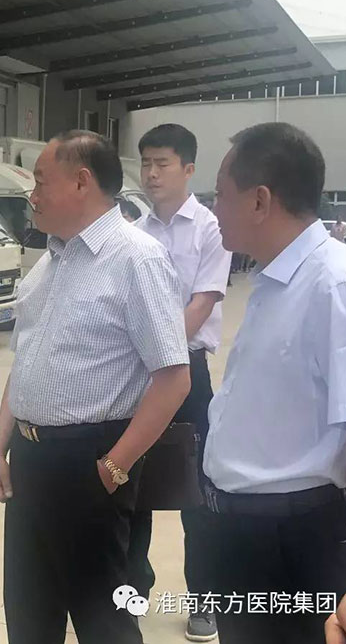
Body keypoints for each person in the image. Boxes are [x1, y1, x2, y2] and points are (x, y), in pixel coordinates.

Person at [0, 131, 191, 644]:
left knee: (103, 620)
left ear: (81, 182)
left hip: (90, 462)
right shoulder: (49, 261)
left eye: (40, 182)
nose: (32, 195)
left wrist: (114, 467)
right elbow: (25, 362)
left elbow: (173, 378)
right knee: (29, 614)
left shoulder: (137, 259)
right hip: (31, 461)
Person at [204, 122, 346, 643]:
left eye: (220, 195)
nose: (213, 209)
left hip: (296, 541)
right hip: (244, 534)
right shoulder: (276, 280)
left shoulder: (338, 284)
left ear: (260, 201)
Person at [128, 123, 231, 642]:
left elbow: (203, 301)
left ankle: (204, 600)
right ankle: (132, 589)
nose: (151, 173)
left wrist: (162, 351)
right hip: (137, 375)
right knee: (132, 482)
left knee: (198, 490)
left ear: (188, 169)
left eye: (162, 163)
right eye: (145, 162)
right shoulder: (134, 230)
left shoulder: (211, 229)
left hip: (188, 373)